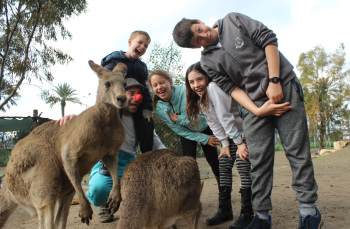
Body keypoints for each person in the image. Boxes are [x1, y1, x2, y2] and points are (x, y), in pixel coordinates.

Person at [173, 12, 322, 229]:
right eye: (197, 41)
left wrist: (274, 80)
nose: (203, 37)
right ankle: (262, 216)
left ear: (199, 23)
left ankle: (309, 211)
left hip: (283, 85)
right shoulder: (207, 61)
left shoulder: (233, 20)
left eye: (199, 31)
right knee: (257, 159)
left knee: (296, 151)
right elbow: (232, 88)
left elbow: (268, 40)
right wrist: (259, 111)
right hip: (253, 104)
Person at [58, 78, 165, 223]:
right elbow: (88, 120)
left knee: (143, 192)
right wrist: (72, 118)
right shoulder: (108, 114)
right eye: (131, 93)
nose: (136, 98)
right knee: (98, 189)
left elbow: (154, 141)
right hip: (105, 161)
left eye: (139, 94)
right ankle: (103, 205)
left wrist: (168, 156)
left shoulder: (142, 119)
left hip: (130, 162)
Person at [148, 70, 225, 224]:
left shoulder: (185, 91)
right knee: (188, 166)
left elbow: (200, 116)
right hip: (187, 134)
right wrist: (202, 138)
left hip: (205, 127)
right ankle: (189, 201)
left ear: (170, 82)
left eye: (162, 82)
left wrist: (181, 119)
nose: (159, 87)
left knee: (215, 162)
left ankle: (224, 196)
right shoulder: (161, 108)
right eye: (155, 85)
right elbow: (178, 130)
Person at [185, 62, 253, 228]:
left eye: (199, 79)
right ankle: (225, 210)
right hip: (230, 137)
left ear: (207, 77)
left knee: (243, 166)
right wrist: (223, 144)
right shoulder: (202, 98)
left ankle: (247, 213)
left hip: (242, 134)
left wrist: (240, 144)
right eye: (191, 82)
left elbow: (226, 117)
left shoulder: (214, 87)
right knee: (223, 166)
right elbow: (214, 123)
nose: (195, 85)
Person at [101, 30, 154, 153]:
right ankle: (108, 154)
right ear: (130, 42)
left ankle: (148, 154)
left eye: (146, 46)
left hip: (134, 100)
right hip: (116, 98)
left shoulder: (142, 67)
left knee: (147, 122)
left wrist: (147, 108)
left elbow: (145, 89)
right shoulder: (114, 60)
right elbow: (105, 83)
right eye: (140, 42)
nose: (142, 47)